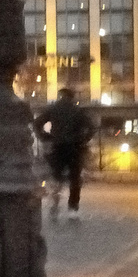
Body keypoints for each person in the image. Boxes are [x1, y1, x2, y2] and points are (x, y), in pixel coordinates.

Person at [34, 88, 94, 216]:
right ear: (72, 97)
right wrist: (83, 139)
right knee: (75, 178)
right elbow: (92, 127)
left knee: (56, 176)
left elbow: (37, 123)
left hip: (57, 146)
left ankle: (55, 203)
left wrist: (46, 137)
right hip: (75, 147)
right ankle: (73, 207)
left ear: (60, 96)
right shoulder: (77, 110)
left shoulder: (53, 109)